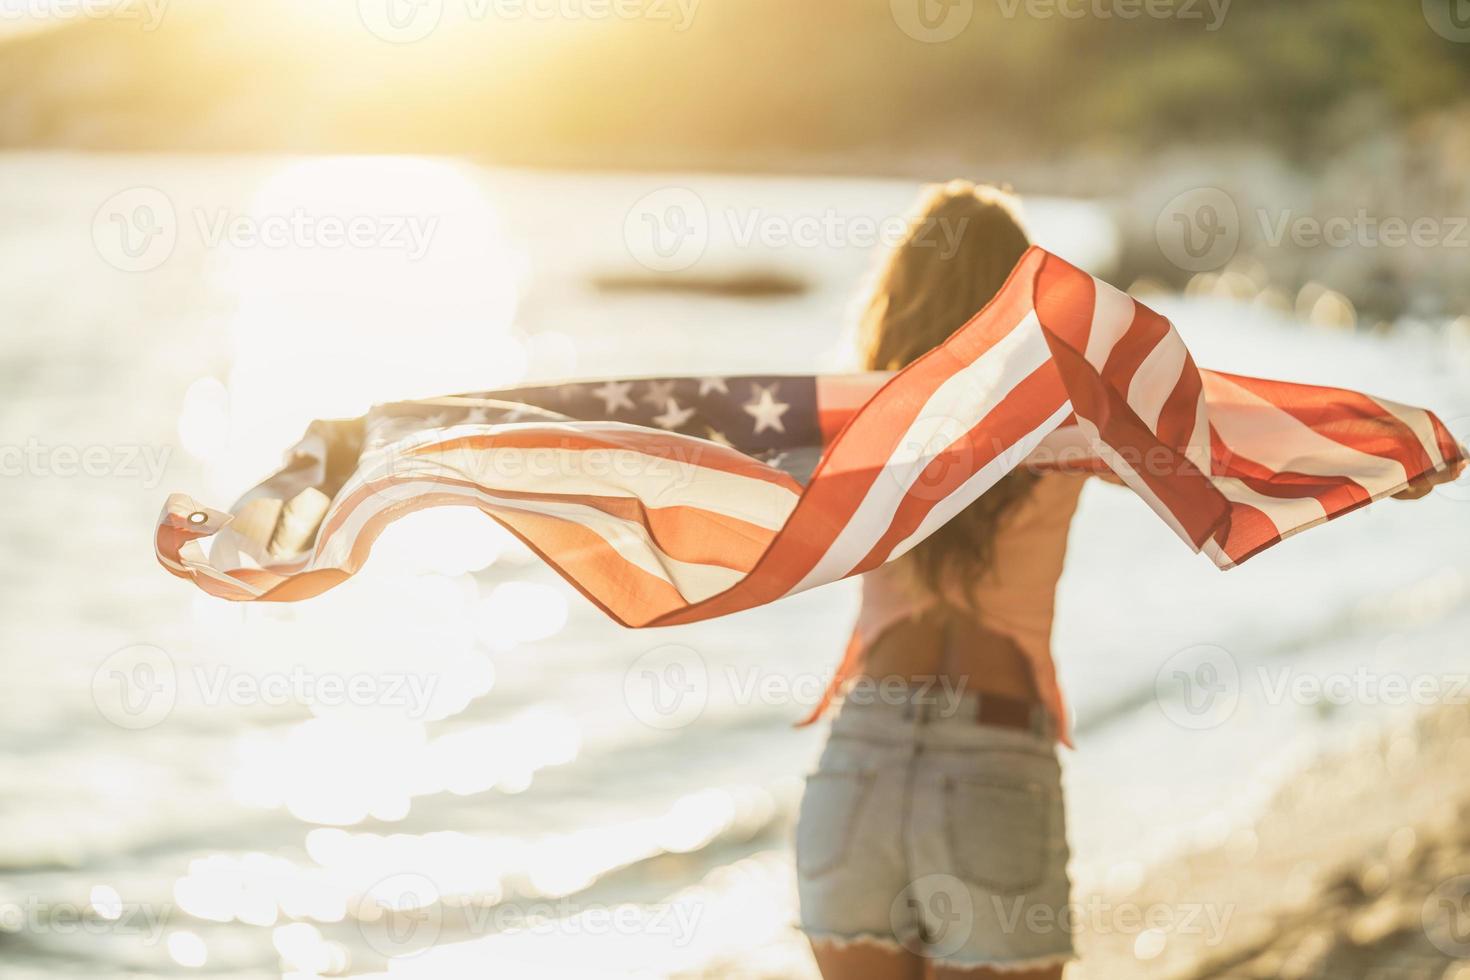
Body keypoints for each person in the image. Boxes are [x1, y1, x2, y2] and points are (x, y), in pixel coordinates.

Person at [795, 181, 1084, 979]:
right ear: (1019, 295)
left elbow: (686, 444)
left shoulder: (854, 421)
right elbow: (1216, 444)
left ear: (898, 291)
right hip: (993, 759)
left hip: (857, 765)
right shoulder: (1067, 418)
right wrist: (1380, 457)